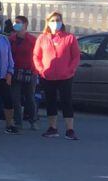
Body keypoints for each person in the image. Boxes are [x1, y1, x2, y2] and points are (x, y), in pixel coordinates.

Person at [33, 12, 81, 140]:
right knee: (50, 101)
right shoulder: (42, 38)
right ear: (48, 22)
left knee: (66, 101)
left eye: (58, 20)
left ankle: (70, 130)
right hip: (47, 76)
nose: (55, 23)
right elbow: (36, 56)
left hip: (65, 76)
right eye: (53, 20)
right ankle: (52, 128)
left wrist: (70, 70)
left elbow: (76, 56)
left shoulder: (69, 38)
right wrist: (41, 70)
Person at [9, 15, 39, 131]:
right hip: (15, 71)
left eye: (18, 22)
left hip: (30, 71)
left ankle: (33, 120)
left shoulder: (32, 40)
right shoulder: (11, 39)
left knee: (30, 97)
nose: (16, 24)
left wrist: (36, 70)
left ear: (25, 25)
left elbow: (38, 55)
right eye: (15, 22)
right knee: (15, 98)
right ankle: (18, 122)